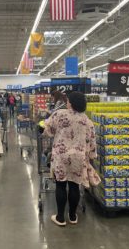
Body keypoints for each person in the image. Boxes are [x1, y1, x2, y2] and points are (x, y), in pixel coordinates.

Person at [44, 92, 101, 226]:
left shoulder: (60, 114)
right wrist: (91, 156)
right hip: (79, 157)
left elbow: (48, 131)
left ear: (72, 103)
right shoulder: (87, 121)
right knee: (75, 185)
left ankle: (60, 218)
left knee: (61, 185)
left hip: (61, 155)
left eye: (68, 101)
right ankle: (72, 216)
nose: (67, 103)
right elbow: (92, 142)